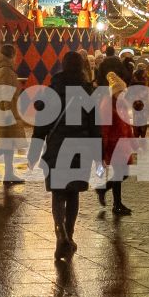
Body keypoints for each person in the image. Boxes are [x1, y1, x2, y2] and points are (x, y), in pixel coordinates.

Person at [33, 51, 101, 263]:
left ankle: (60, 234)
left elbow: (41, 124)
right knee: (73, 194)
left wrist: (35, 149)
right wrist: (99, 156)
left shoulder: (52, 90)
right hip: (81, 147)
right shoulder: (88, 91)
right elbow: (94, 126)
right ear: (81, 67)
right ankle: (69, 236)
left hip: (56, 146)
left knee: (58, 193)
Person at [98, 59, 141, 216]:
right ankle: (116, 204)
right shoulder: (107, 105)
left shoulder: (121, 104)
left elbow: (126, 125)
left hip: (123, 145)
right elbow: (105, 129)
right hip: (114, 145)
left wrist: (133, 142)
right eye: (121, 91)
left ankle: (104, 191)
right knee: (120, 173)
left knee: (123, 173)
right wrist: (103, 150)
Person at [0, 44, 22, 181]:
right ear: (12, 55)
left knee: (6, 143)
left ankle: (8, 172)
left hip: (3, 109)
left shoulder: (1, 69)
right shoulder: (6, 70)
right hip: (7, 111)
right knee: (5, 143)